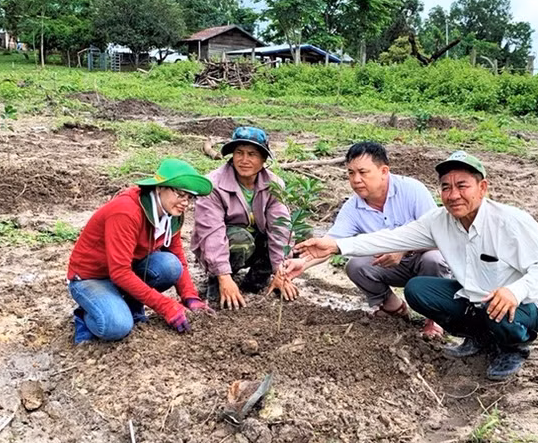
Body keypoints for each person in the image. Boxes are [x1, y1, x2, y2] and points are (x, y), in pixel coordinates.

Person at [294, 151, 538, 380]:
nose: (453, 195)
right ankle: (479, 338)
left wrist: (515, 291)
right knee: (419, 290)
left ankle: (512, 348)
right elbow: (390, 238)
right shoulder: (439, 221)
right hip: (475, 301)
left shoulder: (511, 221)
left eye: (462, 186)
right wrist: (336, 246)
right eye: (446, 187)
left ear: (482, 188)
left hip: (522, 306)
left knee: (498, 306)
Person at [282, 142, 449, 334]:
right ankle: (393, 307)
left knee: (434, 259)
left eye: (363, 172)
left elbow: (438, 236)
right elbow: (330, 244)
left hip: (422, 261)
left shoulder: (412, 191)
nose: (356, 180)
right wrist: (301, 263)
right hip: (388, 266)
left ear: (384, 171)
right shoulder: (353, 207)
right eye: (351, 173)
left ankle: (434, 318)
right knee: (356, 265)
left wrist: (404, 250)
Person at [66, 158, 215, 343]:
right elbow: (120, 272)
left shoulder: (171, 213)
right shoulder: (126, 211)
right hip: (91, 277)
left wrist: (190, 297)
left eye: (190, 197)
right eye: (180, 194)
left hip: (125, 271)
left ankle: (127, 302)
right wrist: (165, 306)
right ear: (159, 188)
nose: (185, 203)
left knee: (170, 265)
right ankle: (85, 314)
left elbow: (177, 255)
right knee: (116, 326)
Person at [191, 127, 297, 310]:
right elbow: (211, 233)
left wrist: (281, 271)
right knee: (241, 239)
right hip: (222, 246)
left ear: (263, 159)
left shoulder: (274, 185)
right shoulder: (213, 185)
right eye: (239, 153)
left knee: (299, 235)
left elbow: (280, 228)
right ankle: (217, 282)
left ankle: (255, 282)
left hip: (255, 243)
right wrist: (223, 275)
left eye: (252, 154)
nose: (244, 160)